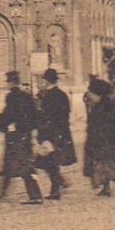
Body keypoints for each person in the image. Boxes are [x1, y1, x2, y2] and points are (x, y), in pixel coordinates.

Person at [0, 71, 44, 205]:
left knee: (17, 165)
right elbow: (35, 114)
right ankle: (3, 193)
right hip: (26, 134)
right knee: (21, 165)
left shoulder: (12, 97)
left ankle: (32, 195)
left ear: (10, 83)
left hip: (15, 136)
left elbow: (8, 114)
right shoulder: (26, 96)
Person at [34, 69, 77, 200]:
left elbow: (45, 115)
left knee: (49, 162)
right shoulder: (62, 95)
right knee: (51, 161)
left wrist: (42, 132)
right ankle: (58, 184)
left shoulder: (48, 96)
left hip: (50, 133)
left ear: (46, 80)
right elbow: (66, 113)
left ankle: (56, 189)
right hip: (61, 132)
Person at [82, 77, 115, 196]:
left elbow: (111, 127)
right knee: (102, 164)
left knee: (104, 164)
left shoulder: (107, 107)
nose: (89, 95)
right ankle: (106, 186)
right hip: (99, 141)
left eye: (91, 92)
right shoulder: (99, 105)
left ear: (97, 94)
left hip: (104, 141)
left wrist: (103, 140)